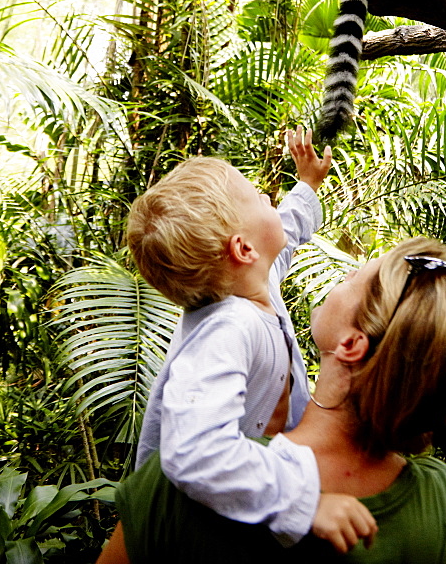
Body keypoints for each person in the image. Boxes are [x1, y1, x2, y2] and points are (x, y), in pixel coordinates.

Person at [97, 236, 446, 564]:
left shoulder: (191, 475)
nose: (343, 273)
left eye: (353, 278)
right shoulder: (441, 505)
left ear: (350, 344)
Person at [124, 127, 376, 550]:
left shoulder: (254, 283)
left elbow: (287, 230)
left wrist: (308, 183)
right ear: (243, 249)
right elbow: (195, 449)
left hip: (234, 501)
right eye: (257, 197)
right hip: (191, 522)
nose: (267, 198)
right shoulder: (231, 326)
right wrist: (303, 503)